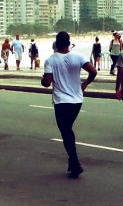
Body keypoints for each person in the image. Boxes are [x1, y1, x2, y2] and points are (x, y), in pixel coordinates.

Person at [41, 31, 97, 178]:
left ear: (56, 44)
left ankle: (75, 162)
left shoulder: (51, 60)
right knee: (68, 129)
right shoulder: (78, 56)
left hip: (61, 101)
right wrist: (84, 84)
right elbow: (93, 71)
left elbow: (46, 83)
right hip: (77, 101)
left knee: (66, 131)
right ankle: (72, 163)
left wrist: (43, 79)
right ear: (69, 43)